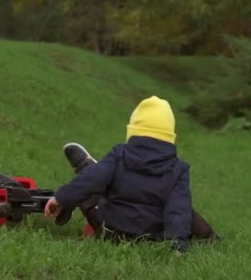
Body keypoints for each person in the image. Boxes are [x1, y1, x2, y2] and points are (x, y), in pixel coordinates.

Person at [44, 95, 219, 252]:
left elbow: (89, 182)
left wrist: (60, 198)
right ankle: (210, 238)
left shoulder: (119, 154)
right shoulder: (178, 169)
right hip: (151, 237)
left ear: (133, 131)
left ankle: (85, 166)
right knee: (184, 206)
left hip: (110, 232)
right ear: (169, 136)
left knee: (91, 186)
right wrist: (177, 246)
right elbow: (178, 210)